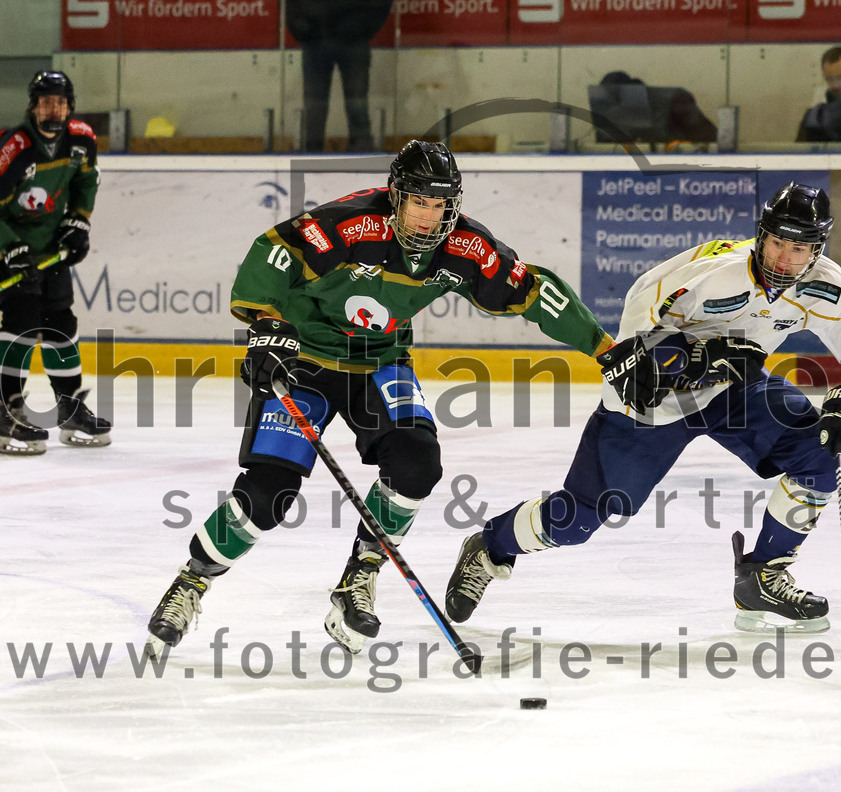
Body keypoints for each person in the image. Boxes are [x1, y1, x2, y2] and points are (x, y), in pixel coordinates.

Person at [144, 140, 614, 656]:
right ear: (396, 196)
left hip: (381, 363)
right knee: (267, 494)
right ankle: (191, 583)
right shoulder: (351, 224)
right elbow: (273, 253)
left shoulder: (462, 246)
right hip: (305, 361)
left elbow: (532, 291)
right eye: (419, 202)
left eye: (440, 206)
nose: (428, 217)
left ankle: (359, 577)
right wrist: (266, 325)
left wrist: (605, 347)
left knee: (417, 464)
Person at [445, 183, 841, 634]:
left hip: (733, 392)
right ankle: (489, 546)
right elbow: (631, 347)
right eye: (777, 243)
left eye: (798, 249)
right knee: (579, 519)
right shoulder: (714, 273)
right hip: (655, 402)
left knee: (820, 455)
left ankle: (763, 577)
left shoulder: (827, 285)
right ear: (762, 235)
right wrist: (694, 355)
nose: (782, 259)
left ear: (817, 249)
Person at [0, 70, 111, 456]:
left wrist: (78, 221)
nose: (53, 109)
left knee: (61, 322)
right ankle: (5, 408)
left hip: (51, 250)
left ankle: (70, 407)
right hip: (11, 250)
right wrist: (10, 248)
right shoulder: (15, 147)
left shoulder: (81, 139)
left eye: (60, 102)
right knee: (22, 324)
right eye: (46, 101)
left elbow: (86, 182)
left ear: (70, 106)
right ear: (33, 106)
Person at [286, 0, 394, 153]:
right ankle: (311, 156)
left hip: (353, 39)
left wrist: (363, 28)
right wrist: (299, 27)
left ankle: (361, 155)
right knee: (314, 109)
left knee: (357, 105)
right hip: (315, 39)